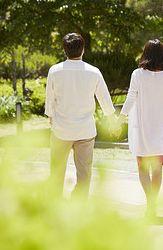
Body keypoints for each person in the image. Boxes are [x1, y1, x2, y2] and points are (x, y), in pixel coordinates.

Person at [45, 33, 115, 201]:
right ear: (83, 50)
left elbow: (50, 102)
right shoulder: (94, 72)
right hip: (85, 130)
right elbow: (105, 100)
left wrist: (51, 119)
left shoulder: (54, 71)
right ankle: (79, 204)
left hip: (61, 130)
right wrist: (113, 121)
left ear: (64, 50)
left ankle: (54, 205)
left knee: (56, 170)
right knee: (84, 172)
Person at [111, 39, 163, 217]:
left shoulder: (138, 74)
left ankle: (150, 204)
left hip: (142, 127)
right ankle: (153, 203)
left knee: (142, 167)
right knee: (157, 168)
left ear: (145, 54)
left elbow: (130, 99)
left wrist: (119, 121)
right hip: (161, 126)